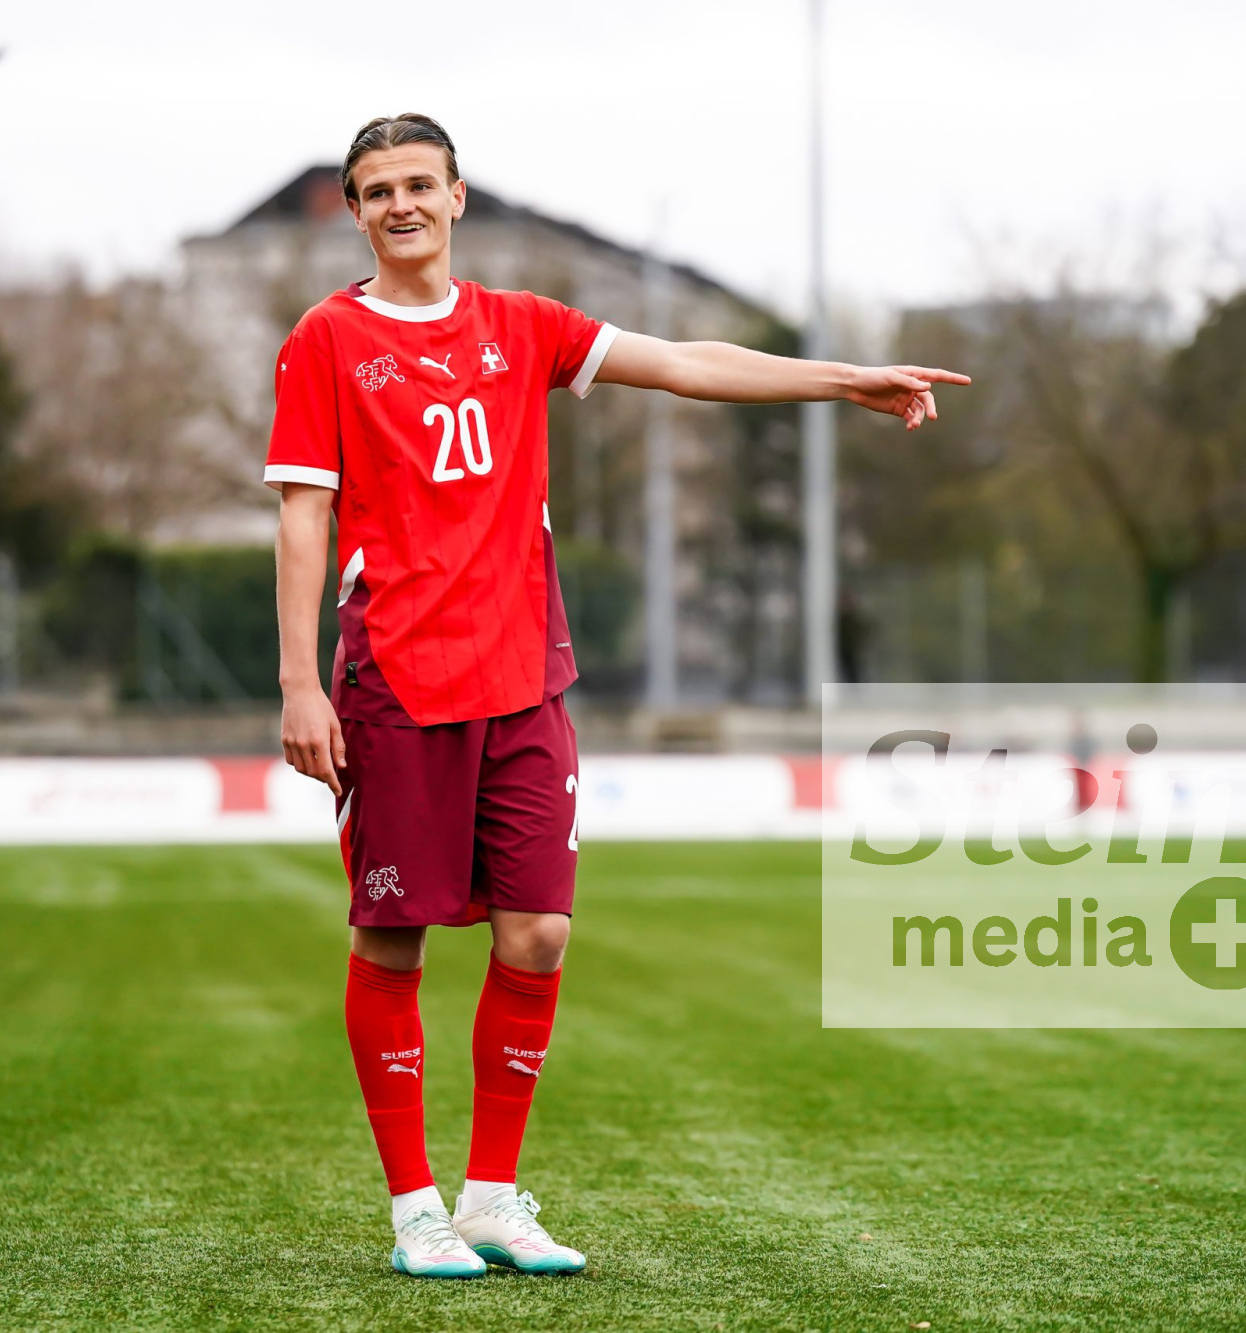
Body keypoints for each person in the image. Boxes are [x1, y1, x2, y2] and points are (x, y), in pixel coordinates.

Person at [269, 113, 966, 1280]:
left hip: (523, 681)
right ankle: (414, 1210)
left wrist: (841, 378)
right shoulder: (326, 339)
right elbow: (302, 514)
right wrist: (301, 682)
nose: (401, 205)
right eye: (376, 190)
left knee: (538, 934)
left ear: (456, 197)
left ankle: (491, 1199)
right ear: (353, 211)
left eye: (419, 184)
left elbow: (685, 362)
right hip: (393, 681)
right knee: (390, 939)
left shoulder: (520, 325)